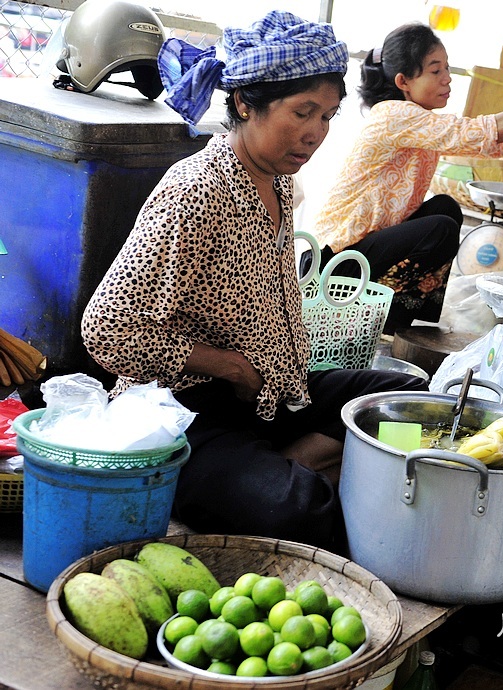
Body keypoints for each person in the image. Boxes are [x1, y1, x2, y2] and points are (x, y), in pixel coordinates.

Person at [81, 11, 428, 552]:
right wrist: (226, 364)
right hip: (190, 416)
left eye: (329, 116)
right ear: (246, 103)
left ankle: (302, 467)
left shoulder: (277, 181)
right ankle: (291, 480)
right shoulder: (196, 190)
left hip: (272, 397)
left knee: (408, 398)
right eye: (302, 113)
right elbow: (107, 329)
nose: (316, 133)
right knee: (301, 511)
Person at [309, 22, 503, 335]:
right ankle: (387, 321)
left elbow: (497, 143)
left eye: (447, 68)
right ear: (404, 81)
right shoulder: (393, 115)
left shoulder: (417, 120)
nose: (447, 79)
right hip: (335, 261)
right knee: (442, 227)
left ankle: (401, 320)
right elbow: (481, 131)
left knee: (445, 208)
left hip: (365, 249)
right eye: (435, 70)